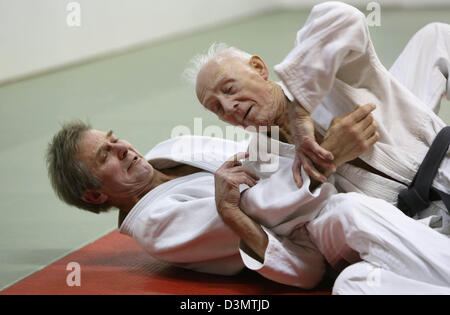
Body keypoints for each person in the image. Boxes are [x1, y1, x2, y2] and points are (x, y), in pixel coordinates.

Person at [46, 120, 450, 294]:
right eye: (106, 157)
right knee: (349, 218)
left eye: (114, 139)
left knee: (431, 39)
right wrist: (328, 157)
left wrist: (297, 129)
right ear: (97, 195)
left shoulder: (165, 152)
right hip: (316, 222)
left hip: (323, 177)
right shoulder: (156, 226)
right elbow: (260, 211)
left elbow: (256, 159)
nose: (123, 148)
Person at [190, 2, 450, 234]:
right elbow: (282, 219)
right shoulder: (257, 164)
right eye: (217, 108)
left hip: (439, 157)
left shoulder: (330, 74)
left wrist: (299, 109)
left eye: (229, 89)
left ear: (259, 68)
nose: (229, 106)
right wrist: (328, 160)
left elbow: (343, 16)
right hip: (419, 229)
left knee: (437, 36)